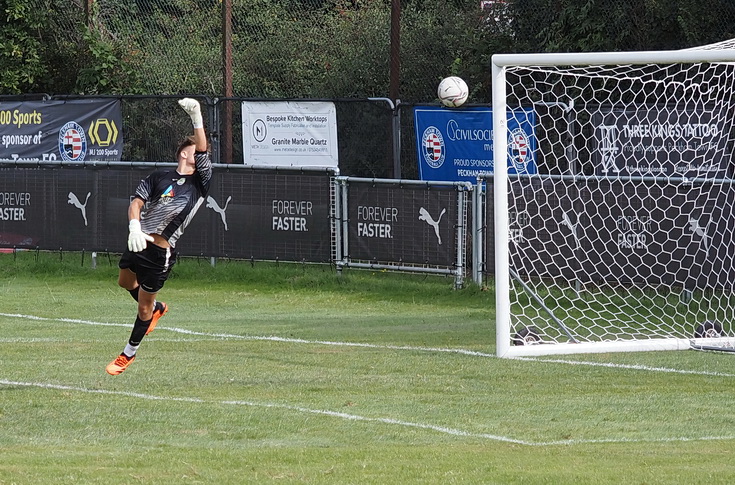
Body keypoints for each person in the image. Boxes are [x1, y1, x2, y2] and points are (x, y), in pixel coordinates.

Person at [106, 98, 213, 375]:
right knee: (124, 282)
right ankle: (157, 308)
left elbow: (203, 150)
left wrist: (197, 118)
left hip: (159, 253)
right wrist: (133, 227)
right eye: (195, 150)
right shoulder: (159, 177)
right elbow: (136, 203)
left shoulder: (200, 183)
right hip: (138, 241)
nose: (201, 154)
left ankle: (127, 354)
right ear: (182, 152)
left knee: (143, 308)